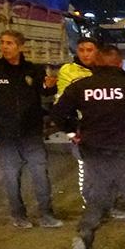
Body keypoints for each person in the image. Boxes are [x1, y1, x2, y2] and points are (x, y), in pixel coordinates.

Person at [49, 43, 125, 249]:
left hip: (94, 152)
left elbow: (58, 113)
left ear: (97, 62)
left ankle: (85, 233)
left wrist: (73, 132)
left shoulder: (81, 86)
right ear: (119, 63)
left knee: (99, 198)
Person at [0, 29, 62, 228]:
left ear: (21, 46)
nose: (4, 47)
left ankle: (46, 214)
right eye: (2, 42)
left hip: (31, 132)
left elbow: (44, 91)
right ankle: (18, 215)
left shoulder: (33, 69)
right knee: (11, 176)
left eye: (9, 43)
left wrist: (50, 86)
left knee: (40, 173)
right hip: (5, 133)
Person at [56, 38, 97, 209]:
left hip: (103, 127)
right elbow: (61, 104)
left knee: (106, 169)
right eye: (82, 50)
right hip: (82, 128)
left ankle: (108, 203)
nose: (85, 54)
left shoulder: (103, 69)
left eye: (89, 50)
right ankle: (92, 206)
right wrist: (71, 131)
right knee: (86, 169)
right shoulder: (68, 70)